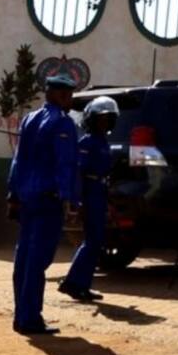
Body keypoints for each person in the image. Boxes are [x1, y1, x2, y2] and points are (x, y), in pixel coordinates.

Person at [7, 74, 79, 335]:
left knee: (24, 257)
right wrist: (71, 200)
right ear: (59, 95)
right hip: (48, 199)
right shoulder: (62, 123)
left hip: (27, 198)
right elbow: (65, 164)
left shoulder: (29, 119)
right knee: (38, 260)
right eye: (69, 95)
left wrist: (12, 194)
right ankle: (30, 318)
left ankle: (21, 315)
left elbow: (17, 160)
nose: (70, 100)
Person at [58, 96, 119, 302]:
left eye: (108, 118)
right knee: (92, 241)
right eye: (101, 118)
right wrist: (79, 201)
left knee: (96, 241)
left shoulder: (102, 142)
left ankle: (82, 283)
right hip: (90, 192)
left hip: (100, 191)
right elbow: (79, 173)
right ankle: (73, 282)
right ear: (92, 120)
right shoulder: (87, 142)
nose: (105, 121)